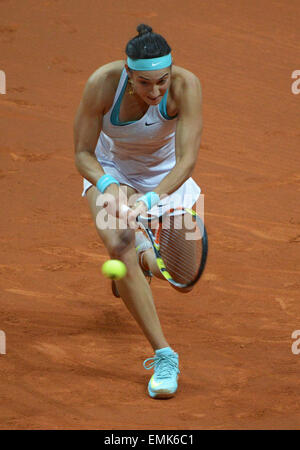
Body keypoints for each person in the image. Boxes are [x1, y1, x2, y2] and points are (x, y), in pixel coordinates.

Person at [74, 24, 202, 399]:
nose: (156, 91)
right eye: (145, 83)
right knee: (119, 243)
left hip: (166, 178)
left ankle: (143, 263)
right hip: (112, 171)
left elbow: (187, 160)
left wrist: (150, 200)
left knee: (179, 273)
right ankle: (164, 355)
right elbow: (83, 152)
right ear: (129, 75)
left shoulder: (186, 86)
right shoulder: (102, 83)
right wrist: (107, 186)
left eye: (162, 80)